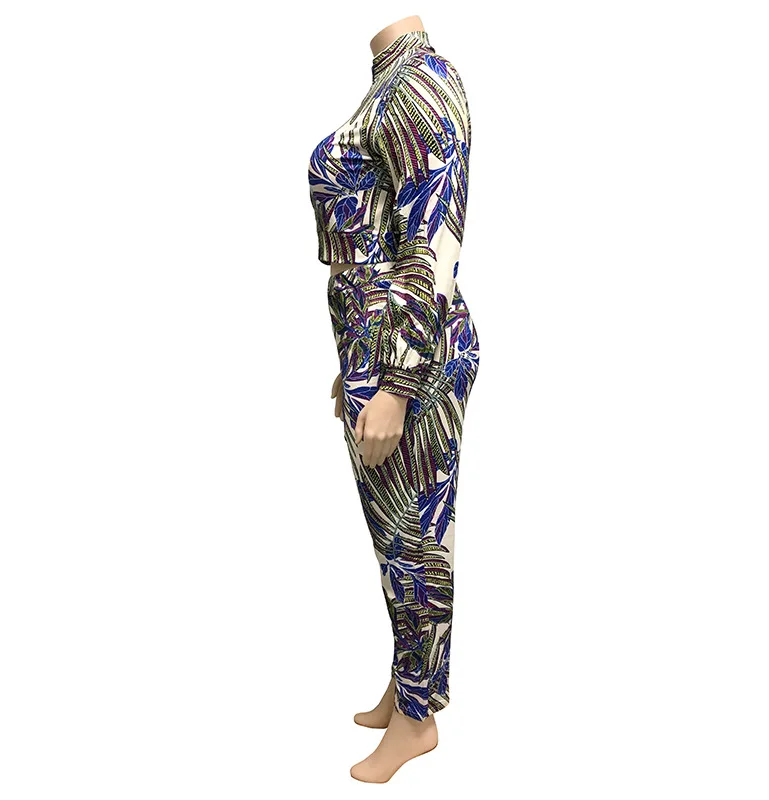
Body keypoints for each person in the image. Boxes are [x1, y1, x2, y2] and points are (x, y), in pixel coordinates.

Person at [308, 14, 480, 783]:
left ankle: (418, 720)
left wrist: (398, 385)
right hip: (376, 357)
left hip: (413, 362)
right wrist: (353, 365)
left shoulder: (420, 83)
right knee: (391, 541)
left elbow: (430, 242)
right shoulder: (387, 83)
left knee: (416, 540)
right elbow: (369, 242)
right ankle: (406, 681)